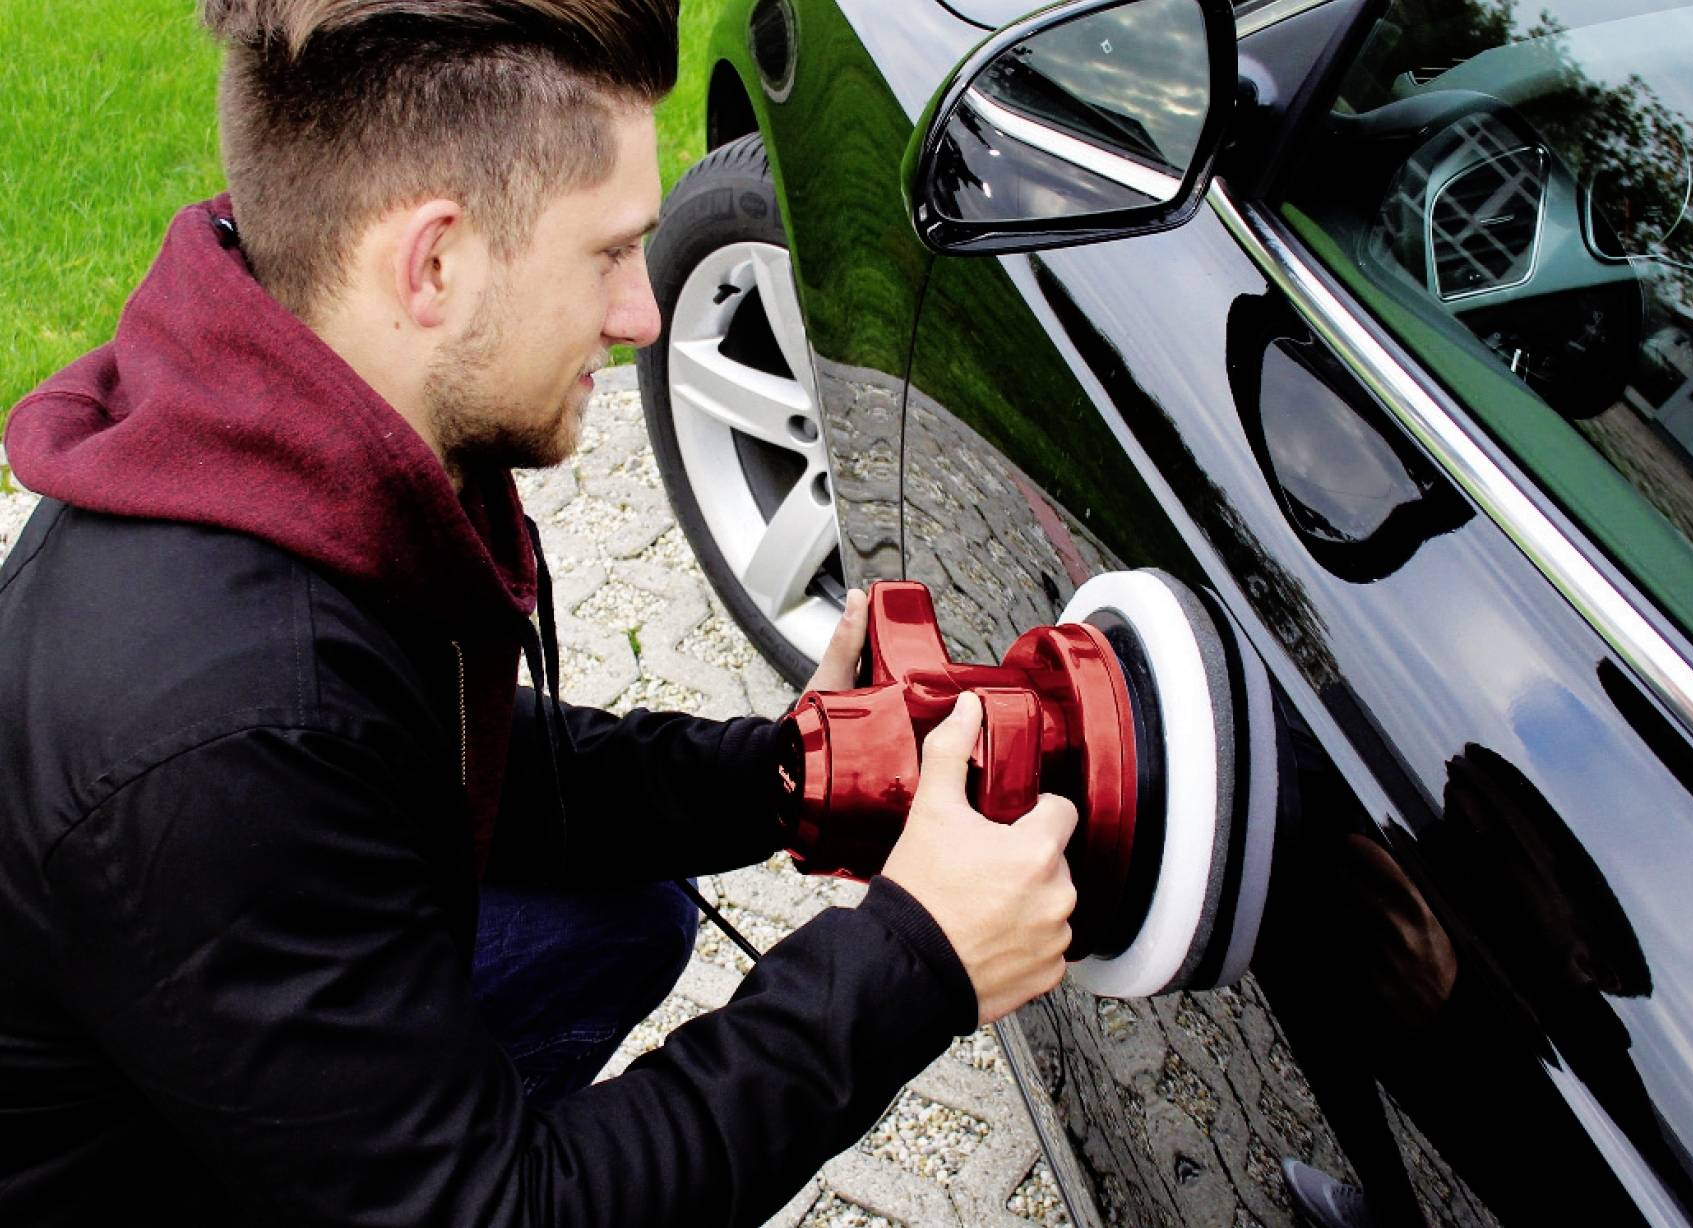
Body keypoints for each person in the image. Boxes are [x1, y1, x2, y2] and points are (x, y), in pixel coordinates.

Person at [0, 1, 1078, 1224]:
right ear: (434, 264)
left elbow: (467, 749)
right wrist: (917, 959)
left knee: (621, 907)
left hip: (187, 1003)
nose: (643, 315)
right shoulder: (227, 735)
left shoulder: (289, 417)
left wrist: (795, 771)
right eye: (610, 253)